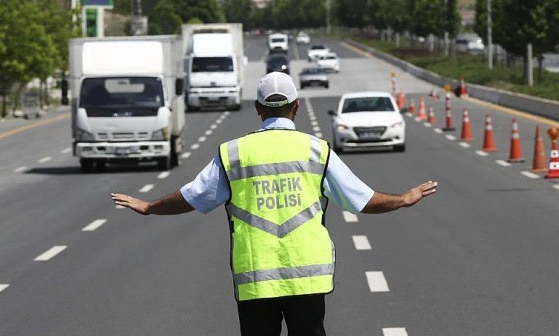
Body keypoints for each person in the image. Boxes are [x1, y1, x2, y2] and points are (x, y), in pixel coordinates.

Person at [111, 71, 437, 336]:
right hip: (307, 278)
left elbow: (192, 196)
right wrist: (403, 199)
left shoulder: (234, 154)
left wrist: (150, 206)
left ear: (257, 108)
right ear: (295, 108)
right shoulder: (316, 151)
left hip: (255, 278)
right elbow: (361, 200)